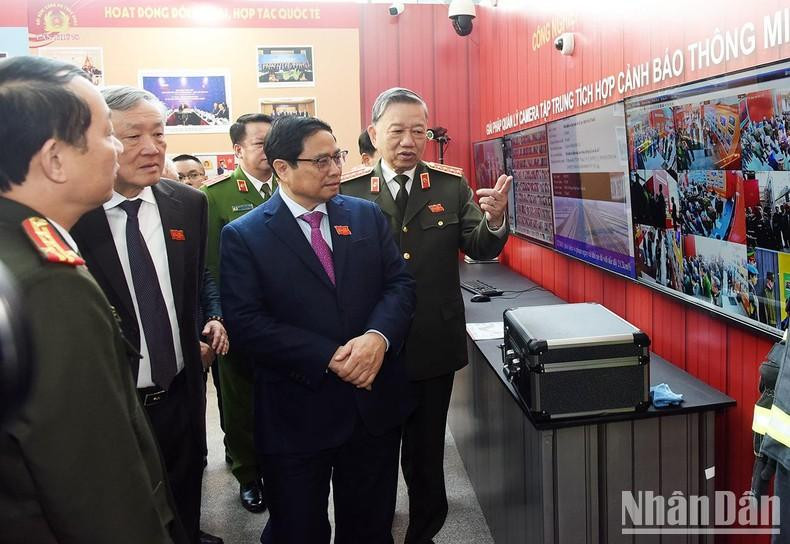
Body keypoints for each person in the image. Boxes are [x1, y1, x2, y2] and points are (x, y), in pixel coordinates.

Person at [0, 56, 180, 543]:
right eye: (109, 134)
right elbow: (94, 483)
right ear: (55, 159)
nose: (119, 149)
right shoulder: (47, 283)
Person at [220, 115, 416, 543]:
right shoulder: (246, 235)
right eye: (321, 161)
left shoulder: (366, 216)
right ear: (282, 168)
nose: (335, 169)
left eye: (337, 156)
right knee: (298, 529)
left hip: (370, 408)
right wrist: (328, 356)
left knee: (369, 527)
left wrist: (376, 339)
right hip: (296, 412)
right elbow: (247, 324)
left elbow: (399, 285)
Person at [341, 87, 511, 543]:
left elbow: (479, 246)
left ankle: (424, 533)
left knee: (426, 454)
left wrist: (494, 221)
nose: (409, 141)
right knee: (371, 455)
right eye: (397, 131)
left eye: (419, 131)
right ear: (374, 133)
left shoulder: (451, 186)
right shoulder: (348, 192)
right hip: (369, 349)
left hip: (432, 344)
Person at [70, 86, 219, 544]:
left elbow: (192, 287)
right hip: (114, 403)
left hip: (182, 392)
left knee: (186, 498)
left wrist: (204, 326)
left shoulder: (188, 204)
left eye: (159, 133)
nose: (152, 148)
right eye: (133, 136)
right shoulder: (74, 216)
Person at [202, 113, 275, 512]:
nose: (269, 150)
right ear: (238, 150)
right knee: (240, 401)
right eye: (261, 143)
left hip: (286, 320)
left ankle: (284, 464)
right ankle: (248, 474)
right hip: (238, 322)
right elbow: (209, 267)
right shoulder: (214, 196)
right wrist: (218, 318)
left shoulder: (291, 185)